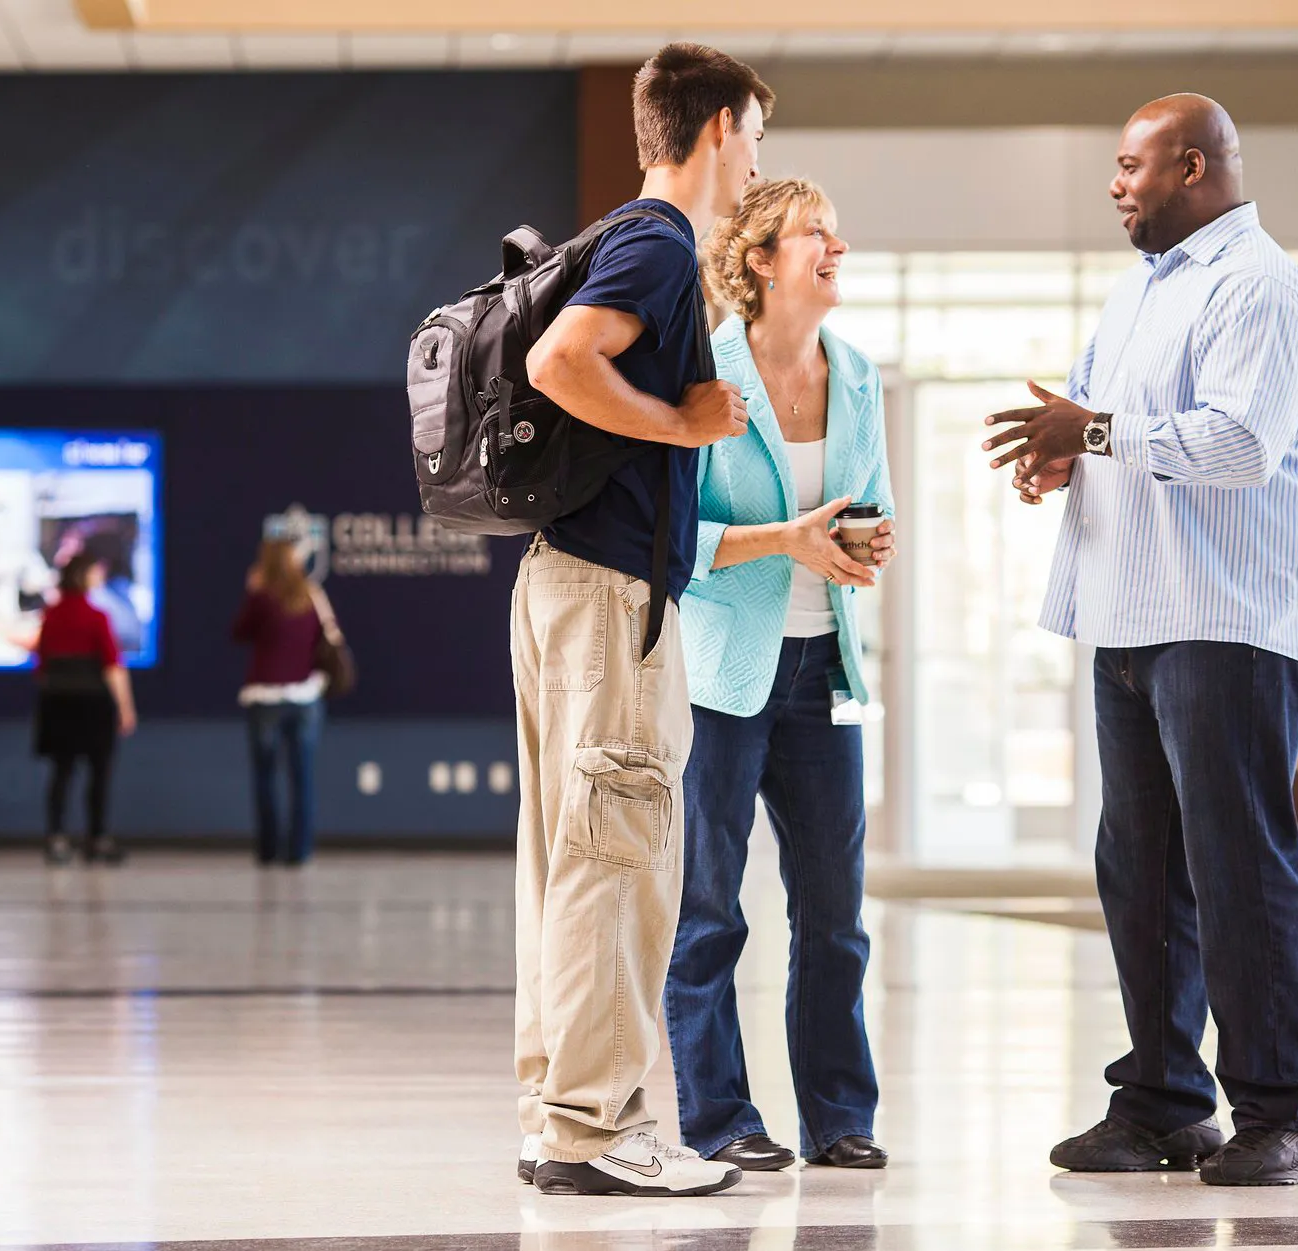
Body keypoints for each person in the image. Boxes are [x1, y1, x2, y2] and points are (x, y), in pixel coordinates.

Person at [988, 94, 1298, 1186]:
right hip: (1131, 618)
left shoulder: (1262, 285)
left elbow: (1241, 442)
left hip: (1228, 621)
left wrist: (1090, 428)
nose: (1115, 185)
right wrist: (1065, 454)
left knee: (1237, 869)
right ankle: (1163, 1104)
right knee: (1140, 873)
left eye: (1130, 166)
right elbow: (1110, 424)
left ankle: (1290, 1112)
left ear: (1192, 167)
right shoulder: (1139, 289)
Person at [510, 42, 770, 1198]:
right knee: (618, 858)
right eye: (756, 133)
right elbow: (561, 359)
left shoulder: (625, 234)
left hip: (565, 584)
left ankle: (558, 1112)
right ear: (716, 126)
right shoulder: (662, 244)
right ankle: (599, 1125)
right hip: (614, 595)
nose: (758, 156)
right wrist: (680, 424)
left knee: (572, 858)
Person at [664, 178, 897, 1175]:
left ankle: (839, 1118)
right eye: (816, 235)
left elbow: (870, 504)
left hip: (827, 675)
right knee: (712, 910)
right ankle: (719, 1119)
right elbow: (677, 537)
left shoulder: (855, 376)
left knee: (835, 917)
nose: (836, 248)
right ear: (760, 259)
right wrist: (791, 543)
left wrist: (861, 543)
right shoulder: (704, 375)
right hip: (723, 681)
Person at [232, 538, 337, 867]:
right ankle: (299, 851)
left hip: (265, 697)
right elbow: (329, 636)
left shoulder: (261, 597)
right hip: (305, 697)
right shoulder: (311, 595)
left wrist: (251, 590)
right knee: (302, 777)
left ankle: (267, 849)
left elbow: (239, 632)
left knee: (265, 777)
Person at [33, 553, 136, 865]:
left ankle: (56, 837)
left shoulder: (51, 615)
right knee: (99, 773)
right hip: (93, 705)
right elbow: (113, 666)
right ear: (84, 575)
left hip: (57, 703)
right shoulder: (96, 616)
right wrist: (126, 707)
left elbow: (42, 662)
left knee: (61, 773)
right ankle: (97, 838)